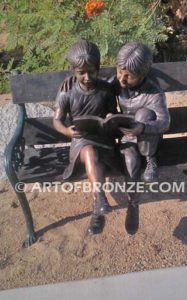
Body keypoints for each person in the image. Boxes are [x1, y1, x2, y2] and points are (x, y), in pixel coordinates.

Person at [53, 40, 117, 235]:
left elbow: (113, 112)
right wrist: (67, 132)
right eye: (81, 72)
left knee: (95, 154)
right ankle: (99, 198)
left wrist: (110, 119)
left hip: (103, 140)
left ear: (98, 68)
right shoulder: (67, 90)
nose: (87, 77)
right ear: (73, 70)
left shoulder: (105, 89)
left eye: (92, 71)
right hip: (80, 142)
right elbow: (57, 120)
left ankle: (98, 208)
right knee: (89, 151)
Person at [115, 42, 170, 233]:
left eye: (129, 76)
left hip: (148, 141)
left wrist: (143, 127)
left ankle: (150, 160)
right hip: (126, 139)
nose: (122, 79)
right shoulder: (115, 84)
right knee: (130, 160)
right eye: (119, 71)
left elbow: (164, 122)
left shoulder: (154, 93)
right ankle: (133, 203)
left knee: (143, 115)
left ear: (143, 74)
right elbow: (93, 88)